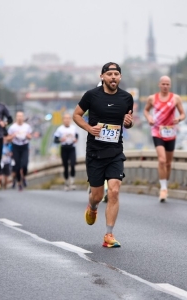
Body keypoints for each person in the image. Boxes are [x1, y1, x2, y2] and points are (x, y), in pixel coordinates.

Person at [73, 62, 134, 248]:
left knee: (114, 191)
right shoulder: (91, 95)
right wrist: (89, 128)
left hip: (115, 152)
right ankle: (92, 207)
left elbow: (128, 123)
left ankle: (109, 235)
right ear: (102, 77)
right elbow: (76, 115)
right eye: (110, 74)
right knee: (97, 195)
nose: (113, 77)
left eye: (116, 74)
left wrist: (129, 122)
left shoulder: (127, 98)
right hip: (95, 152)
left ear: (120, 77)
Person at [143, 76, 186, 202]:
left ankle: (165, 185)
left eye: (167, 84)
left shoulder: (175, 98)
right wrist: (149, 118)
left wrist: (179, 119)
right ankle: (163, 189)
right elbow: (146, 111)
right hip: (157, 131)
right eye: (163, 84)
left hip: (170, 132)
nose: (165, 86)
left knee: (168, 163)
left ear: (170, 85)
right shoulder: (152, 98)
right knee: (162, 160)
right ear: (159, 84)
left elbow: (183, 114)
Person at [7, 111, 32, 191]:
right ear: (16, 117)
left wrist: (28, 136)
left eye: (21, 116)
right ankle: (19, 182)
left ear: (23, 117)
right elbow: (8, 139)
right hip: (16, 147)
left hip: (24, 146)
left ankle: (23, 176)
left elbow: (30, 137)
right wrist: (13, 136)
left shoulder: (27, 127)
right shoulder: (12, 127)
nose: (20, 118)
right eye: (18, 116)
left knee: (24, 165)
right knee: (17, 166)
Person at [53, 113, 78, 191]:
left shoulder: (73, 128)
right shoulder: (60, 129)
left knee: (73, 164)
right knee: (66, 166)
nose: (67, 120)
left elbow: (77, 135)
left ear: (70, 120)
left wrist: (76, 139)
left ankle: (72, 181)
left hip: (72, 147)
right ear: (63, 120)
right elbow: (55, 140)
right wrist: (61, 140)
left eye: (68, 118)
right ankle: (67, 182)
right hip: (64, 148)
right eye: (65, 118)